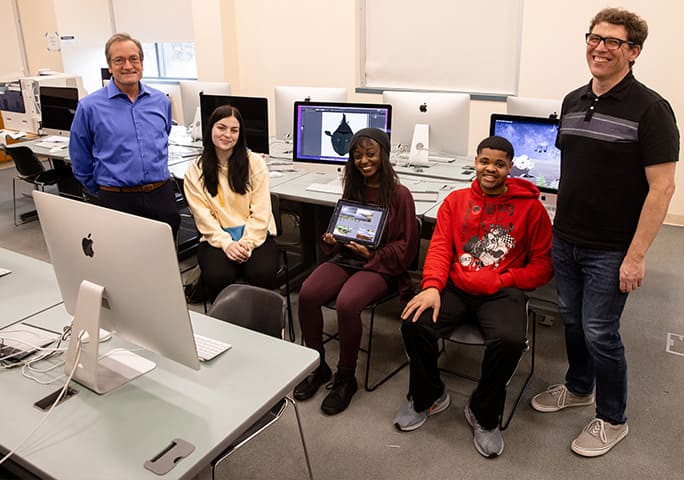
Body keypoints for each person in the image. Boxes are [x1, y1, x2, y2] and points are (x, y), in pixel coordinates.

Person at [530, 8, 679, 458]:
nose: (600, 47)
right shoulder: (574, 99)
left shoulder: (651, 109)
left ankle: (613, 418)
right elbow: (573, 170)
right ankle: (579, 388)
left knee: (600, 331)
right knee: (570, 319)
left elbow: (662, 187)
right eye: (595, 37)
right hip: (567, 237)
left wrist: (636, 256)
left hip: (612, 248)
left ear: (633, 52)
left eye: (613, 41)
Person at [393, 136, 553, 458]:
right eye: (484, 161)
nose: (490, 169)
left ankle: (483, 413)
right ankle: (429, 396)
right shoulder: (455, 201)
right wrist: (432, 287)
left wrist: (504, 278)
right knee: (415, 323)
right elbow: (440, 248)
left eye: (499, 163)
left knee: (509, 340)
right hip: (456, 286)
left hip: (501, 289)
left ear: (510, 167)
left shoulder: (531, 209)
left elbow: (543, 266)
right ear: (475, 162)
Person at [293, 128, 419, 415]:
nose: (364, 161)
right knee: (309, 293)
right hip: (348, 258)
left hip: (383, 267)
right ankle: (317, 365)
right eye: (358, 155)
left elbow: (407, 248)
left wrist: (374, 254)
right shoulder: (354, 188)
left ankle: (346, 377)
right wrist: (333, 238)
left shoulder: (400, 195)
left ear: (384, 156)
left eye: (370, 154)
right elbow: (346, 228)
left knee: (348, 303)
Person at [70, 33, 179, 238]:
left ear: (142, 63)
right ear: (110, 66)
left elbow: (164, 136)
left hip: (160, 194)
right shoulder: (89, 107)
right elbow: (79, 158)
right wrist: (102, 189)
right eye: (119, 60)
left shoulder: (160, 101)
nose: (128, 66)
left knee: (164, 260)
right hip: (117, 199)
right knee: (122, 261)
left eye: (133, 59)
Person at [182, 104, 279, 301]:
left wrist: (246, 243)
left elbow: (261, 213)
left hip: (255, 235)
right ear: (210, 129)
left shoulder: (254, 163)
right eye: (221, 127)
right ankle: (226, 325)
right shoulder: (195, 170)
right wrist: (226, 244)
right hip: (217, 237)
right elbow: (203, 217)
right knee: (219, 276)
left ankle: (262, 322)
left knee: (262, 273)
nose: (227, 134)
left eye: (234, 130)